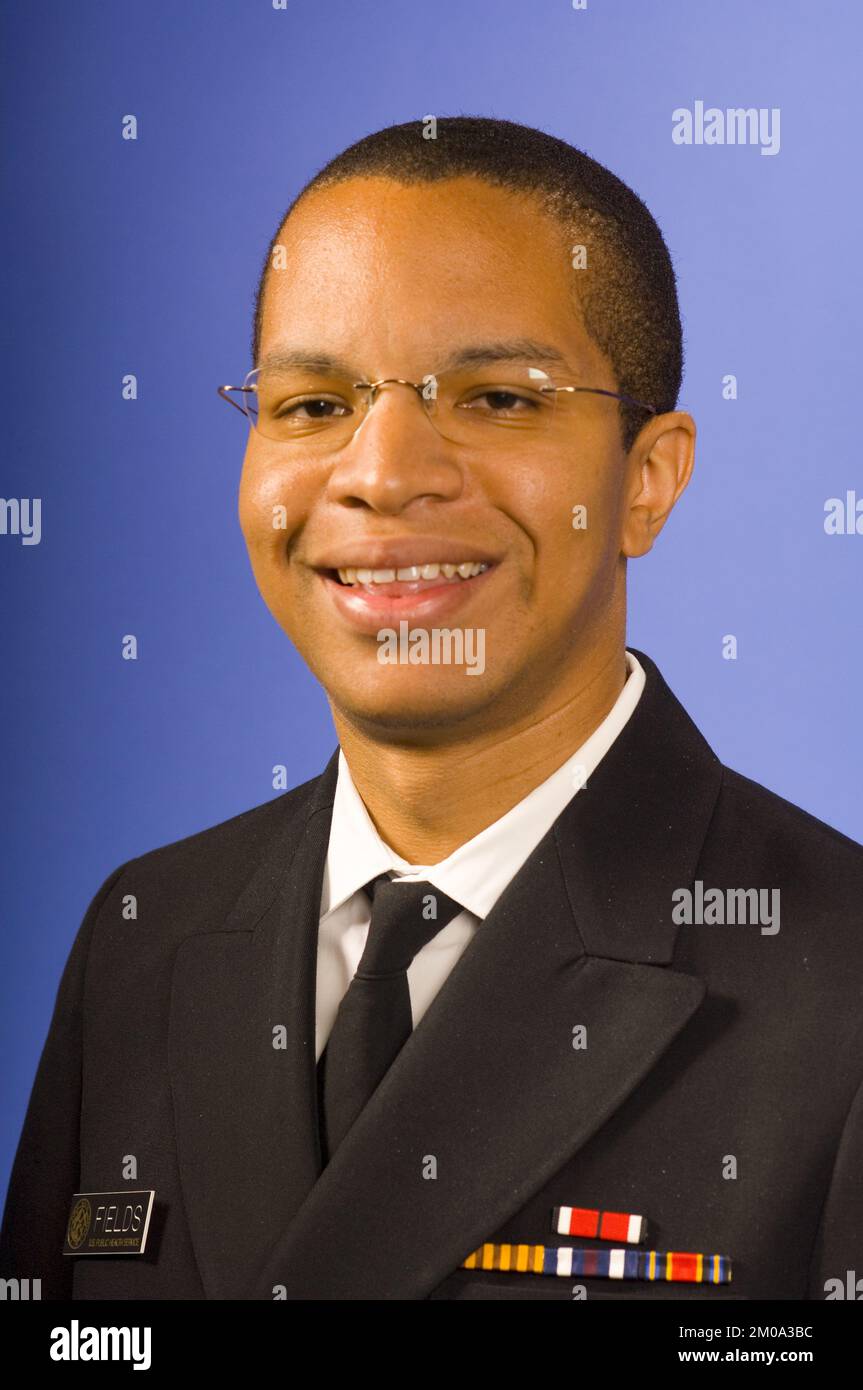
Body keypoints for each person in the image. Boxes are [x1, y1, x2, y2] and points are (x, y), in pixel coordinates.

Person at [2, 116, 861, 1302]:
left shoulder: (837, 982)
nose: (383, 470)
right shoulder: (145, 934)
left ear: (645, 481)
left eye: (498, 399)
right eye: (310, 405)